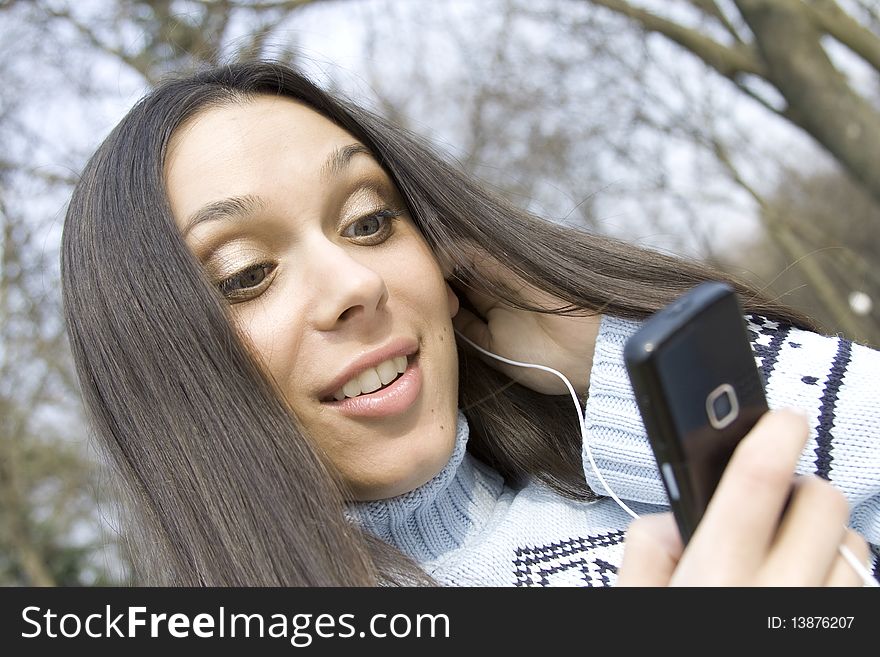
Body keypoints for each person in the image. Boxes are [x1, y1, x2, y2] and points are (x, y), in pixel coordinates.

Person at [61, 60, 879, 587]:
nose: (355, 281)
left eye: (370, 221)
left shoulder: (631, 487)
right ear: (159, 375)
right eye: (246, 274)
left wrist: (613, 361)